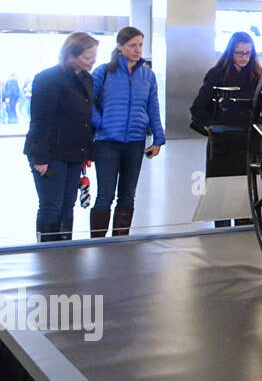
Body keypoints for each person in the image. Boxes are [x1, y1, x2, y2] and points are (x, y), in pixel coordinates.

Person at [90, 27, 165, 237]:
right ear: (120, 47)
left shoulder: (148, 76)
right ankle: (97, 240)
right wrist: (101, 122)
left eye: (140, 44)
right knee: (105, 195)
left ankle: (120, 240)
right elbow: (88, 103)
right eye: (132, 45)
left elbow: (153, 107)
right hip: (106, 142)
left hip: (135, 142)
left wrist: (158, 138)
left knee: (128, 195)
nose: (137, 49)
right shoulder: (103, 72)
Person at [24, 33, 98, 242]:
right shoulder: (48, 79)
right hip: (50, 153)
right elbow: (40, 120)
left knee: (68, 204)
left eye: (94, 55)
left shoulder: (87, 79)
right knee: (51, 205)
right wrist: (40, 158)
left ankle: (64, 248)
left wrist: (87, 152)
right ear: (71, 56)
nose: (93, 61)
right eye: (88, 56)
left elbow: (85, 119)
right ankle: (47, 251)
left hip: (74, 153)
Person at [191, 32, 262, 224]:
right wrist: (211, 130)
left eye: (248, 53)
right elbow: (198, 108)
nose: (243, 58)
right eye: (239, 53)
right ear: (231, 53)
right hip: (222, 143)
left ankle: (242, 230)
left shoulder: (258, 76)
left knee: (244, 193)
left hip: (247, 142)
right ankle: (221, 232)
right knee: (219, 193)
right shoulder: (217, 75)